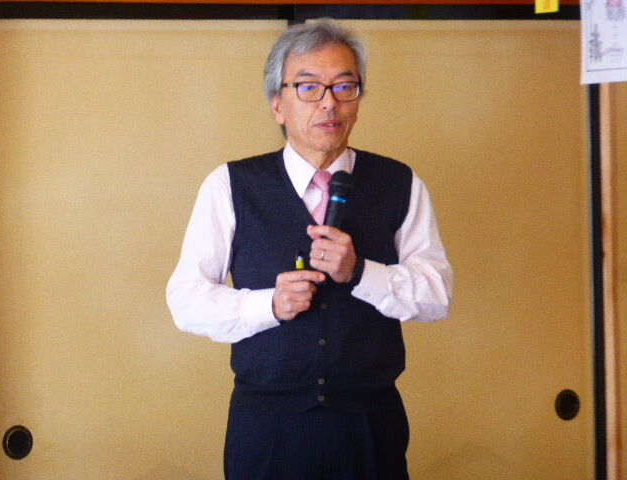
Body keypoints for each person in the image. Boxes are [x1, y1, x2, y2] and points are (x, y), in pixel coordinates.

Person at [166, 19, 452, 480]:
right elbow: (186, 300)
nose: (329, 102)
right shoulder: (231, 185)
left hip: (368, 423)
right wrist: (269, 305)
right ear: (277, 104)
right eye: (308, 87)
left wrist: (361, 272)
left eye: (344, 86)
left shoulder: (399, 182)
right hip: (266, 425)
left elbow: (437, 294)